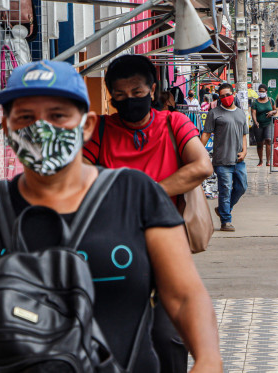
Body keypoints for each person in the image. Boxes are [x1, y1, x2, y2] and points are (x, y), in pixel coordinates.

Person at [0, 60, 222, 372]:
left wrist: (208, 359)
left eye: (58, 116)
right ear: (7, 127)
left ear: (86, 125)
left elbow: (184, 296)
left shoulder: (137, 195)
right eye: (25, 117)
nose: (41, 128)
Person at [82, 55, 213, 373]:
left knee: (168, 335)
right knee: (109, 338)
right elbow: (79, 176)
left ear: (153, 90)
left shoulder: (174, 123)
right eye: (120, 96)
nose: (129, 101)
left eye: (137, 93)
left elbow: (201, 166)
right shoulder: (100, 129)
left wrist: (148, 191)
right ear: (111, 95)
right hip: (110, 245)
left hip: (166, 243)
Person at [201, 83, 248, 232]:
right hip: (222, 159)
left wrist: (245, 151)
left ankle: (223, 209)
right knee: (225, 189)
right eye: (222, 96)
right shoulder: (214, 113)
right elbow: (206, 134)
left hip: (239, 160)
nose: (225, 98)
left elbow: (244, 134)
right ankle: (226, 220)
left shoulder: (241, 113)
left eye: (228, 95)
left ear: (233, 94)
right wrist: (198, 151)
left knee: (241, 187)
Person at [251, 84, 277, 167]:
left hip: (268, 123)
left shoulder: (271, 100)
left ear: (266, 92)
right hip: (259, 125)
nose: (261, 93)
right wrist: (255, 121)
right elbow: (253, 113)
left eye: (263, 91)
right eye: (260, 91)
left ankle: (268, 160)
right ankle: (260, 160)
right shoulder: (255, 102)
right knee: (259, 143)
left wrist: (272, 112)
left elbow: (275, 110)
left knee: (268, 140)